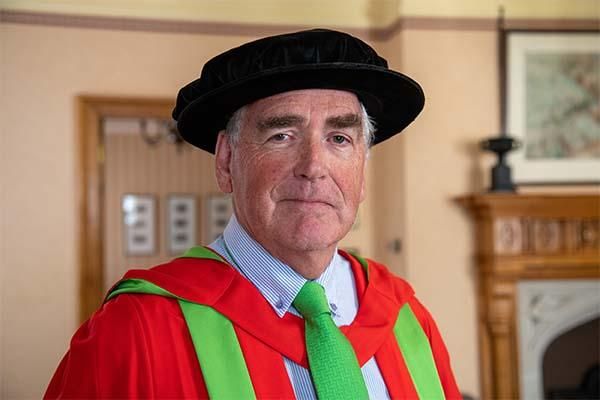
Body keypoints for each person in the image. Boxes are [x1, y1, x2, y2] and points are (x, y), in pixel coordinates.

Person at [45, 28, 461, 399]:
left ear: (362, 170)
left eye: (339, 138)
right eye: (282, 135)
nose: (314, 166)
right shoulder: (135, 330)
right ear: (226, 161)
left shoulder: (407, 319)